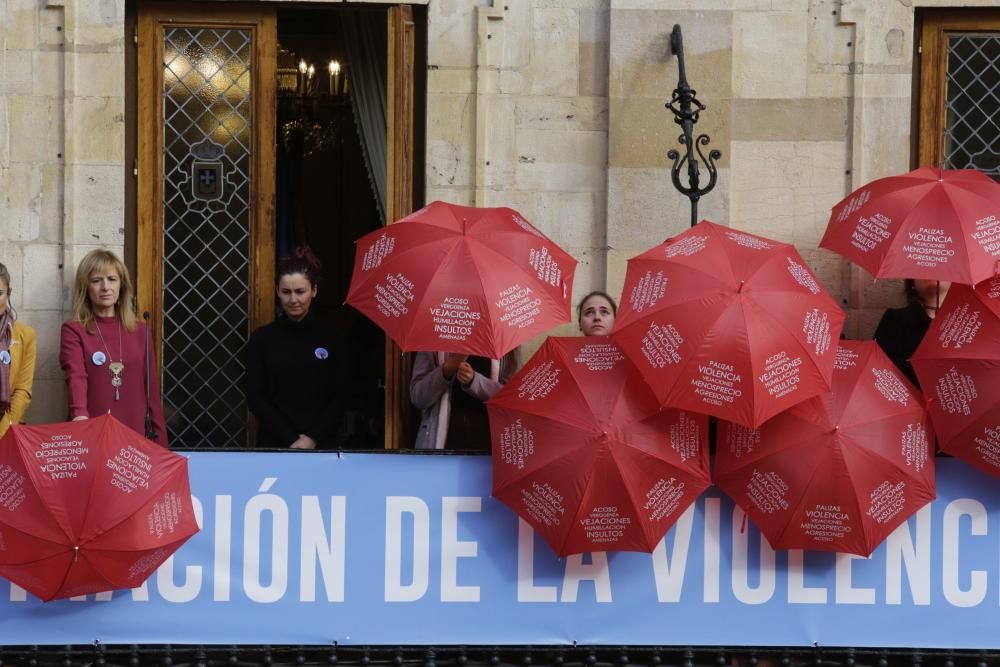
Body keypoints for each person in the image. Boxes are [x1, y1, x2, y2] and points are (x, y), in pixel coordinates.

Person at [59, 249, 168, 444]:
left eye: (112, 279)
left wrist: (161, 444)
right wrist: (79, 416)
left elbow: (150, 388)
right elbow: (76, 377)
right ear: (86, 287)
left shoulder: (140, 329)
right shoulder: (74, 330)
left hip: (136, 434)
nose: (105, 287)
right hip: (93, 430)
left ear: (122, 285)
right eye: (96, 281)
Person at [246, 246, 345, 449]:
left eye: (300, 292)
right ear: (277, 292)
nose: (293, 300)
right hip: (274, 445)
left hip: (322, 447)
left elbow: (340, 395)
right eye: (286, 292)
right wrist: (290, 438)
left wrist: (313, 437)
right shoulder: (262, 339)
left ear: (314, 290)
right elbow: (255, 397)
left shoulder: (331, 338)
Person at [411, 350, 518, 451]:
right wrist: (448, 368)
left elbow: (511, 398)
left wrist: (474, 381)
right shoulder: (434, 336)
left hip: (488, 449)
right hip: (441, 448)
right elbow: (418, 397)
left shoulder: (503, 340)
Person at [874, 278, 950, 387]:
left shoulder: (968, 321)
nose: (931, 273)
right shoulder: (895, 319)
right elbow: (878, 369)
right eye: (924, 268)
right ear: (912, 283)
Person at [0, 262, 36, 438]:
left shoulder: (25, 335)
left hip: (9, 430)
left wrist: (4, 428)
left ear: (8, 293)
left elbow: (23, 389)